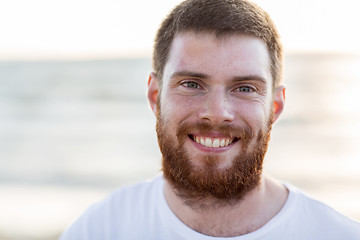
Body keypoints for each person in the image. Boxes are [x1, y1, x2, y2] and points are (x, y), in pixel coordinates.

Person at [60, 0, 360, 239]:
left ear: (275, 106)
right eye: (192, 84)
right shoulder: (99, 230)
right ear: (155, 96)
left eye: (244, 88)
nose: (217, 113)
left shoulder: (336, 234)